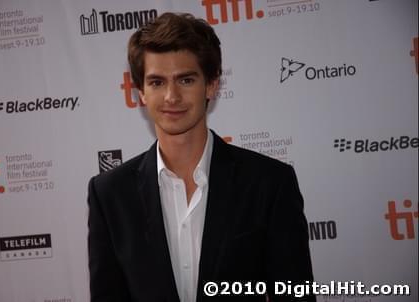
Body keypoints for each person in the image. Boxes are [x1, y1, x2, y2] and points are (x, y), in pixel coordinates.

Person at [87, 12, 315, 302]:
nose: (171, 96)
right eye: (157, 82)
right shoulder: (109, 194)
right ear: (140, 93)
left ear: (211, 84)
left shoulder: (268, 183)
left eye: (185, 80)